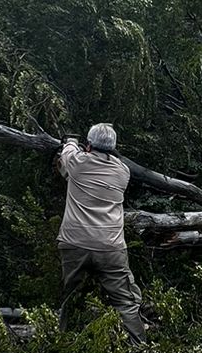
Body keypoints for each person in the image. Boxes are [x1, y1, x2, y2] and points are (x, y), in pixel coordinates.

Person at [57, 122, 147, 340]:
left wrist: (70, 140)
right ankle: (141, 348)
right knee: (125, 301)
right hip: (110, 247)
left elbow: (68, 151)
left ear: (88, 145)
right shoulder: (123, 172)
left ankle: (60, 340)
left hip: (74, 243)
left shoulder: (77, 163)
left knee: (69, 296)